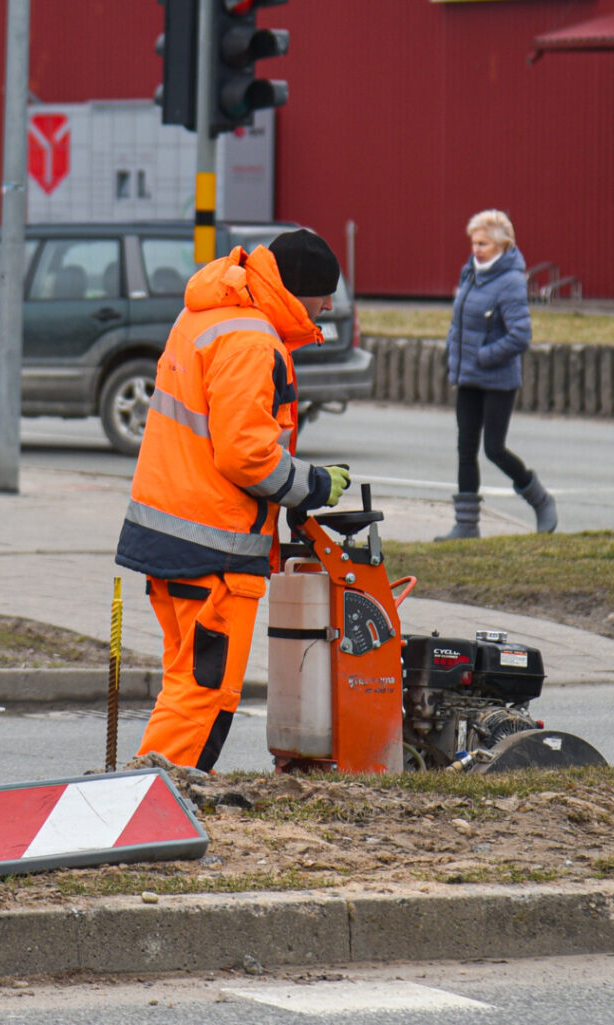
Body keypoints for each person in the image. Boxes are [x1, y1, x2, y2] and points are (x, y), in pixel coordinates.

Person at [116, 229, 352, 771]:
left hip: (170, 537)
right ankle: (158, 807)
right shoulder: (252, 339)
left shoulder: (205, 315)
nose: (329, 306)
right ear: (299, 292)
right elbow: (246, 456)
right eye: (324, 294)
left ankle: (141, 795)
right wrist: (315, 484)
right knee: (207, 692)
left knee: (185, 684)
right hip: (213, 550)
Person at [435, 208, 556, 540]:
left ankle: (541, 500)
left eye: (483, 243)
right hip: (468, 378)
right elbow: (458, 321)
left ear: (503, 245)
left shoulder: (511, 282)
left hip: (498, 380)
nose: (476, 249)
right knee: (465, 448)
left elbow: (520, 335)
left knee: (494, 449)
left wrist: (483, 355)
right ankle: (466, 525)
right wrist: (453, 352)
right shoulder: (469, 273)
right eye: (474, 243)